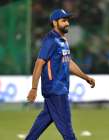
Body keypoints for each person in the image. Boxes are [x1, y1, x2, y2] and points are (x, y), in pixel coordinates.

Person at [26, 9, 95, 140]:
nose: (67, 23)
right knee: (68, 132)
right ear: (54, 22)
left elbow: (68, 62)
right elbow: (39, 63)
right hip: (56, 90)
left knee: (43, 121)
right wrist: (34, 88)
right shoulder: (51, 40)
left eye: (67, 20)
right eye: (63, 20)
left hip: (59, 89)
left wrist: (85, 77)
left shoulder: (62, 40)